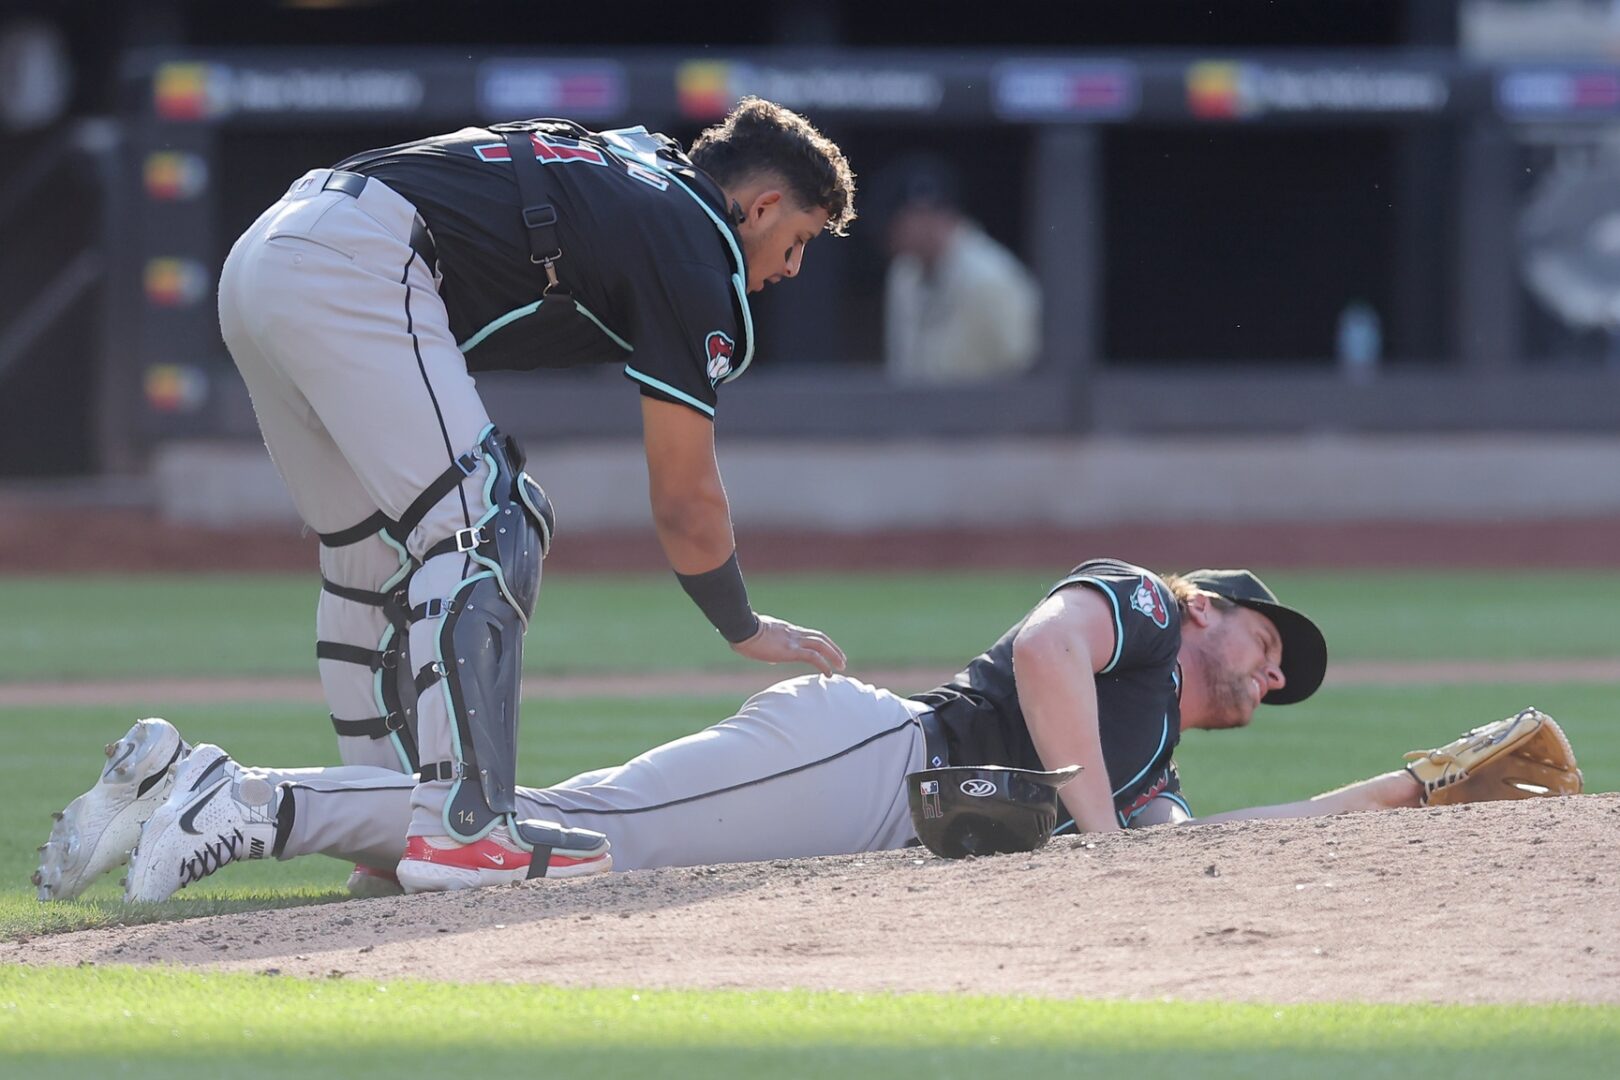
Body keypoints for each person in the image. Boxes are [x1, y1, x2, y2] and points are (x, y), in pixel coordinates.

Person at [202, 97, 856, 894]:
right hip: (358, 258)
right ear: (761, 207)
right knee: (488, 523)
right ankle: (462, 825)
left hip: (269, 252)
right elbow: (686, 497)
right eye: (799, 240)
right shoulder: (696, 241)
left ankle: (389, 836)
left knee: (369, 556)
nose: (791, 268)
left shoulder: (639, 162)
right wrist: (741, 625)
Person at [35, 559, 1424, 903]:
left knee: (557, 828)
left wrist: (1404, 793)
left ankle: (229, 789)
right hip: (874, 758)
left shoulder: (1151, 758)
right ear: (1218, 609)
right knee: (578, 843)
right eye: (1268, 645)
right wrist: (1106, 830)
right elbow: (1051, 646)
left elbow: (1207, 847)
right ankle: (249, 800)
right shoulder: (1136, 603)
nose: (1268, 673)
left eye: (1281, 682)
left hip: (879, 802)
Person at [878, 156, 1041, 385]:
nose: (891, 231)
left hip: (984, 417)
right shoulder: (903, 275)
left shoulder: (993, 279)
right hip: (917, 416)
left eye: (899, 220)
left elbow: (1024, 371)